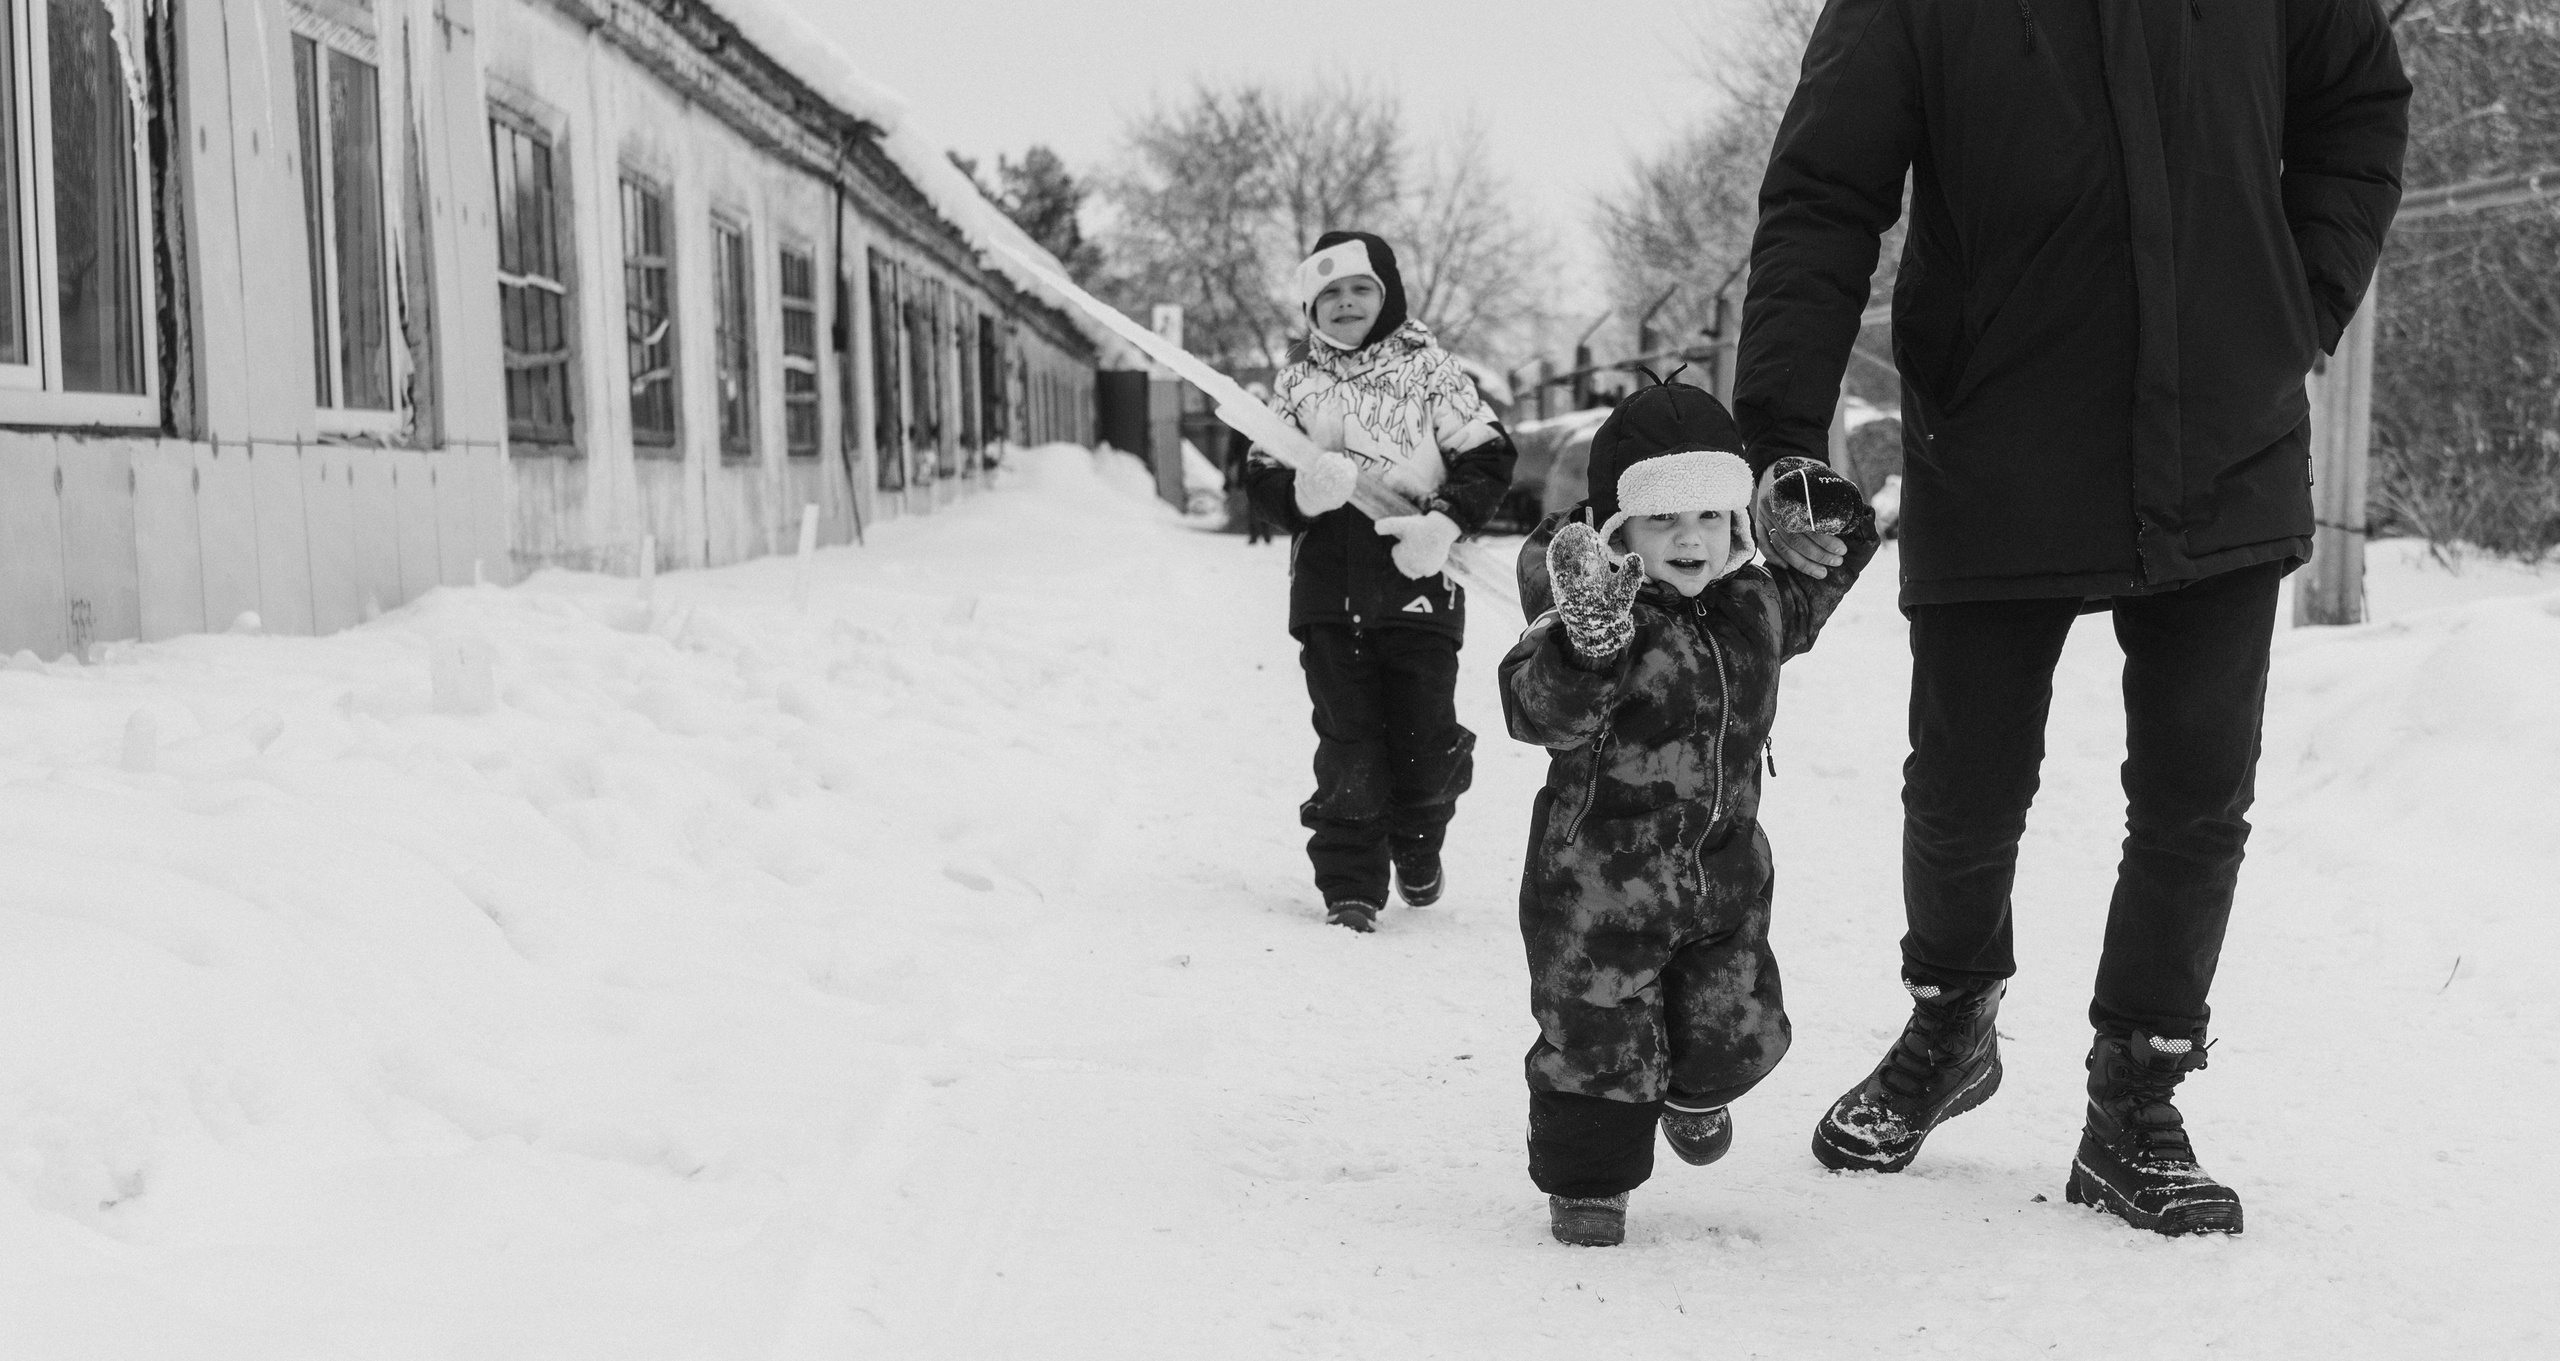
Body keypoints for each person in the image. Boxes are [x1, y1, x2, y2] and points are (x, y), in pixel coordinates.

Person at [1730, 0, 2409, 1235]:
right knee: (1962, 784)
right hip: (1993, 429)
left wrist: (2293, 303)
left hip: (2223, 426)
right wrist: (1778, 427)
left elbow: (2358, 104)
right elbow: (1826, 192)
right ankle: (1949, 1022)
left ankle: (2134, 1093)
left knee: (2196, 794)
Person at [1502, 377, 1875, 1246]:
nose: (1690, 538)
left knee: (1735, 1029)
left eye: (1711, 516)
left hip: (1725, 878)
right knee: (1597, 1040)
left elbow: (1837, 560)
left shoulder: (1757, 604)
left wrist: (1825, 505)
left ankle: (1694, 1088)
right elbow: (1536, 711)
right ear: (1616, 530)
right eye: (1663, 520)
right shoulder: (1592, 618)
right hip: (1596, 889)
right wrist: (1585, 648)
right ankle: (1590, 1184)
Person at [1244, 232, 1518, 932]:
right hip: (1327, 596)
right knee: (1349, 742)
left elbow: (1488, 456)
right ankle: (1350, 885)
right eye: (1328, 294)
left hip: (1418, 584)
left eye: (1358, 289)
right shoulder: (1297, 383)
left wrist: (1447, 522)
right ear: (1310, 306)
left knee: (1423, 744)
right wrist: (1301, 494)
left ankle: (1419, 844)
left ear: (1387, 293)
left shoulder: (1433, 371)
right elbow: (1259, 472)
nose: (1344, 304)